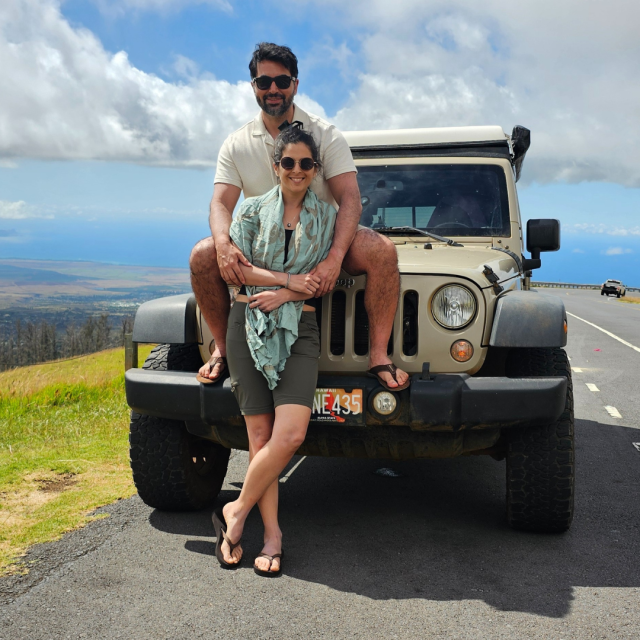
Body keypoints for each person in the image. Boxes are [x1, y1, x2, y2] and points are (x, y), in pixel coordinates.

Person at [190, 42, 408, 392]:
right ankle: (222, 349)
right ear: (253, 87)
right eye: (264, 82)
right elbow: (220, 203)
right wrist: (222, 245)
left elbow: (350, 198)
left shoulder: (326, 135)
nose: (273, 89)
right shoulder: (236, 143)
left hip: (321, 243)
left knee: (382, 250)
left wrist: (335, 258)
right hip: (259, 251)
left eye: (282, 81)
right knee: (202, 256)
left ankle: (379, 356)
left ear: (295, 84)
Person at [211, 125, 336, 576]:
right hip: (247, 324)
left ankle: (236, 512)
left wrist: (287, 296)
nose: (297, 170)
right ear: (275, 166)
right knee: (259, 439)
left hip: (299, 326)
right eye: (289, 162)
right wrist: (286, 283)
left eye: (306, 163)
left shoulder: (326, 216)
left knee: (291, 436)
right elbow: (238, 272)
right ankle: (273, 536)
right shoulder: (249, 214)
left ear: (315, 169)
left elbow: (319, 280)